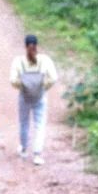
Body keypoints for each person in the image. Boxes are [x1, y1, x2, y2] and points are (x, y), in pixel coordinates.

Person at [10, 34, 57, 165]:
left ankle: (24, 149)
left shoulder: (18, 61)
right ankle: (37, 154)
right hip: (40, 96)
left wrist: (24, 86)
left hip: (24, 96)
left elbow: (13, 80)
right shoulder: (45, 60)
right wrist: (42, 87)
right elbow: (53, 77)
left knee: (24, 122)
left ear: (25, 46)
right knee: (39, 124)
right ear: (37, 45)